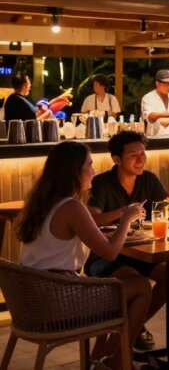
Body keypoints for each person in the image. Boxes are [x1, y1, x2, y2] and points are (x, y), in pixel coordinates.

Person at [16, 141, 149, 370]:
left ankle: (102, 357)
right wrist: (126, 217)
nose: (94, 171)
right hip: (59, 304)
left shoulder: (42, 204)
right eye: (90, 164)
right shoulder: (71, 207)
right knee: (140, 287)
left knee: (122, 277)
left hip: (31, 302)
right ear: (74, 171)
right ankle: (117, 359)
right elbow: (109, 254)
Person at [86, 130, 169, 351]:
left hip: (142, 251)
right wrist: (124, 212)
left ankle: (135, 325)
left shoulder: (149, 180)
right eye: (133, 155)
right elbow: (92, 219)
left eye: (143, 153)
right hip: (108, 256)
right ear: (117, 159)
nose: (140, 159)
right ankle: (123, 346)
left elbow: (166, 210)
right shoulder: (103, 182)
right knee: (135, 281)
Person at [140, 69, 169, 136]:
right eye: (166, 84)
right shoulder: (148, 97)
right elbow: (150, 116)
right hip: (153, 139)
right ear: (157, 84)